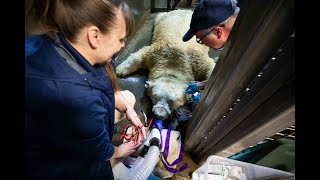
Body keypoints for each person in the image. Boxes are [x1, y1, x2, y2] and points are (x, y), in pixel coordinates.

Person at [25, 0, 146, 179]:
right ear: (95, 36)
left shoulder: (62, 41)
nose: (122, 45)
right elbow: (99, 149)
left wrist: (128, 108)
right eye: (120, 39)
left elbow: (101, 83)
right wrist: (119, 151)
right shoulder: (78, 98)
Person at [183, 0, 240, 96]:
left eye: (200, 39)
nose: (202, 44)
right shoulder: (236, 33)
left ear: (218, 32)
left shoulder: (249, 45)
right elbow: (227, 72)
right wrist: (201, 85)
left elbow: (238, 79)